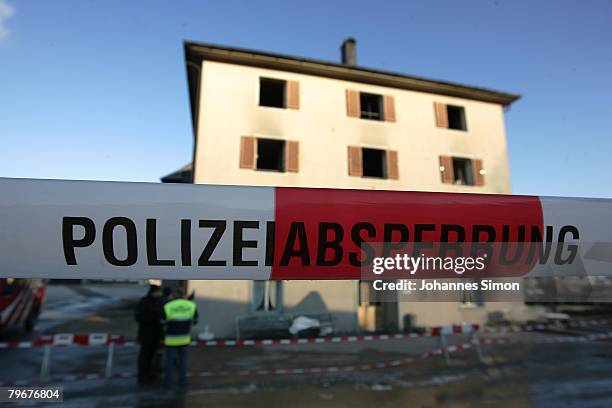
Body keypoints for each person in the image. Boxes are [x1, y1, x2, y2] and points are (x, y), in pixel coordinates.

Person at [162, 287, 198, 388]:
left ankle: (168, 382)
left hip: (171, 339)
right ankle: (183, 381)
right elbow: (195, 321)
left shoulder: (168, 306)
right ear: (184, 295)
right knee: (183, 362)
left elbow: (162, 321)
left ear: (173, 296)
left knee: (169, 362)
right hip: (184, 338)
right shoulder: (191, 305)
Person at [134, 285, 163, 384]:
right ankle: (143, 376)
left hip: (155, 334)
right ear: (153, 292)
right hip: (146, 334)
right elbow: (139, 317)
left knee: (151, 356)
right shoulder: (144, 302)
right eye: (158, 292)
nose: (160, 294)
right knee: (145, 356)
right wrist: (153, 318)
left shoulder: (157, 301)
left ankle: (149, 374)